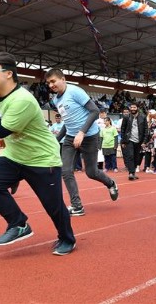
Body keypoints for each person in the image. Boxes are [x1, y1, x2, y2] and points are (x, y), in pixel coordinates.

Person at [0, 52, 76, 255]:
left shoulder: (23, 100)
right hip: (13, 156)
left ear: (9, 73)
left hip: (42, 158)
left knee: (53, 206)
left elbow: (2, 129)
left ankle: (67, 238)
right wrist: (4, 162)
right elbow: (2, 138)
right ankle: (18, 224)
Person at [46, 68, 118, 217]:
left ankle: (111, 183)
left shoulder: (75, 91)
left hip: (89, 136)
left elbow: (94, 111)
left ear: (63, 79)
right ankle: (77, 205)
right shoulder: (56, 100)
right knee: (66, 171)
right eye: (48, 83)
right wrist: (56, 139)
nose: (51, 85)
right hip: (71, 138)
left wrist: (82, 132)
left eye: (53, 81)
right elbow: (68, 122)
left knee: (91, 172)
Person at [120, 102, 149, 180]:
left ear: (137, 108)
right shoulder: (126, 117)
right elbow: (123, 129)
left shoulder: (143, 117)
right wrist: (123, 141)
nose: (132, 109)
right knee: (130, 156)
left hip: (139, 141)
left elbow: (146, 130)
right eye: (131, 107)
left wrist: (144, 141)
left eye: (134, 107)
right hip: (129, 140)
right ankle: (131, 173)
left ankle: (133, 172)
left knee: (137, 157)